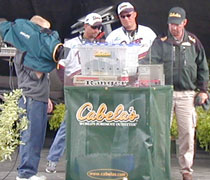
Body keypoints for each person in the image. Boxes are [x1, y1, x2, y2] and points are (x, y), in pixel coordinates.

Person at [141, 7, 209, 180]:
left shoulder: (193, 42)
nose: (174, 28)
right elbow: (148, 63)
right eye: (171, 24)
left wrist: (203, 90)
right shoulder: (161, 41)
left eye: (177, 24)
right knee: (160, 132)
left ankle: (186, 171)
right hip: (163, 93)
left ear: (184, 23)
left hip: (187, 94)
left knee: (187, 133)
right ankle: (160, 169)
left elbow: (203, 67)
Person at [45, 12, 104, 173]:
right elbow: (61, 66)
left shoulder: (101, 45)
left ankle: (88, 160)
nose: (97, 30)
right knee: (69, 124)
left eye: (99, 27)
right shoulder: (70, 44)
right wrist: (68, 84)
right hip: (75, 89)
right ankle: (52, 160)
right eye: (94, 27)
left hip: (94, 87)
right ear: (85, 26)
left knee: (94, 124)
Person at [13, 16, 54, 180]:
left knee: (37, 136)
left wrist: (47, 97)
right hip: (30, 97)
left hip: (39, 96)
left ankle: (30, 172)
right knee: (30, 135)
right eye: (44, 31)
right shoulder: (27, 48)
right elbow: (36, 74)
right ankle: (25, 173)